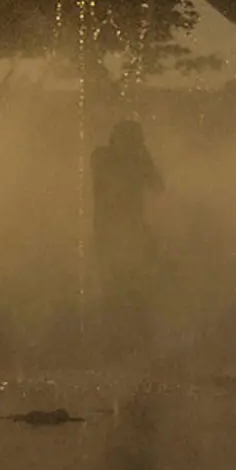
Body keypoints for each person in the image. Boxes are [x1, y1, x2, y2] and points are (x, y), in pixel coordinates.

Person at [92, 119, 163, 361]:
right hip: (109, 233)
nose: (134, 144)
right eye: (131, 138)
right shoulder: (102, 157)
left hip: (133, 233)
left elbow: (158, 186)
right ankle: (114, 346)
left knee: (138, 289)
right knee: (114, 290)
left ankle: (139, 346)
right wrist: (138, 156)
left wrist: (142, 155)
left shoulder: (137, 160)